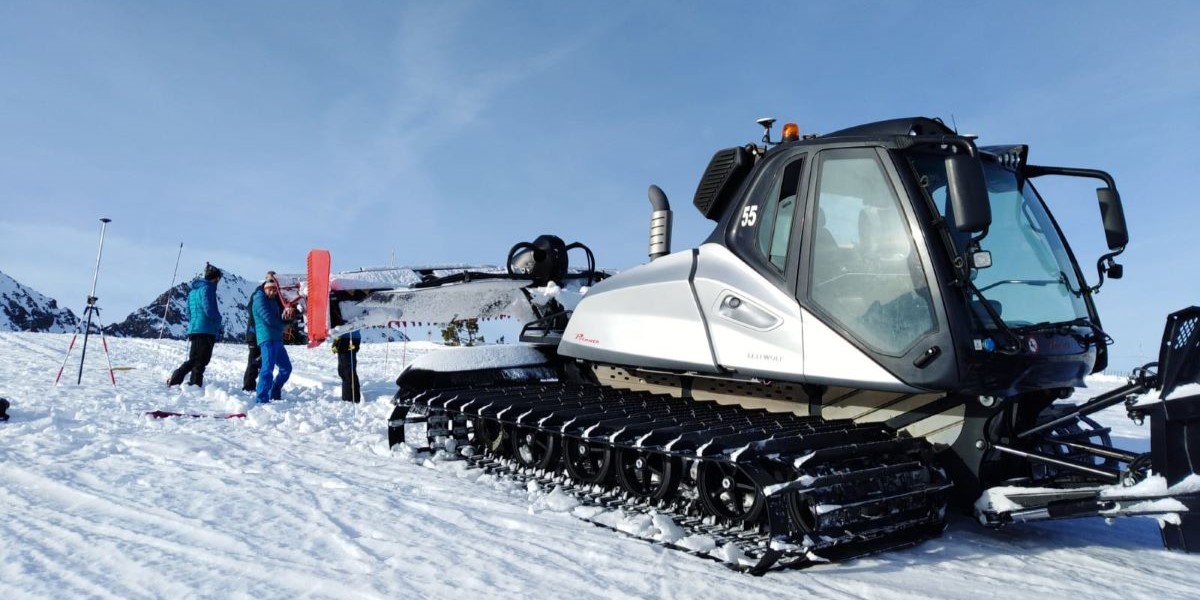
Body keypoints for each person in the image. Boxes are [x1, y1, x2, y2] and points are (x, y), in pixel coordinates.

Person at [168, 264, 223, 387]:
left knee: (195, 358)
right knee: (201, 360)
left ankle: (192, 384)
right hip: (206, 329)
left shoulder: (193, 292)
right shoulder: (208, 289)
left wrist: (194, 322)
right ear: (216, 278)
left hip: (194, 329)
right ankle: (181, 379)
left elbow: (187, 311)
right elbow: (209, 310)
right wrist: (219, 320)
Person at [251, 276, 295, 404]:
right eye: (271, 290)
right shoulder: (259, 299)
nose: (273, 292)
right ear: (265, 288)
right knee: (267, 368)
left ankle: (274, 391)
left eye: (275, 290)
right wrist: (284, 326)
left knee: (286, 368)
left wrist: (287, 318)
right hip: (266, 338)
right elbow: (269, 318)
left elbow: (277, 318)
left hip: (277, 339)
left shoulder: (273, 301)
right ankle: (262, 398)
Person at [242, 271, 281, 392]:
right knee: (253, 359)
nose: (272, 280)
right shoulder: (259, 293)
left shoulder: (274, 293)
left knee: (264, 359)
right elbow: (252, 311)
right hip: (255, 332)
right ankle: (248, 386)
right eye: (270, 278)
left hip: (266, 333)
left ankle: (259, 386)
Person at [332, 329, 362, 403]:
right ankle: (355, 397)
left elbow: (339, 326)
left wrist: (335, 341)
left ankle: (348, 398)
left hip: (345, 338)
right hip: (354, 338)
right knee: (350, 369)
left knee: (345, 371)